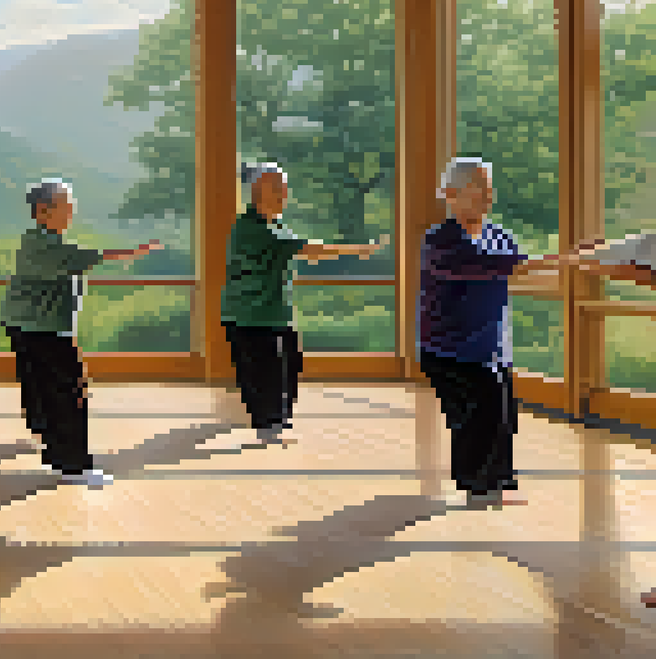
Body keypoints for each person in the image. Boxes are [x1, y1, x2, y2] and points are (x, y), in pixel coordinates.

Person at [418, 157, 565, 509]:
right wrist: (569, 259)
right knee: (477, 416)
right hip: (448, 349)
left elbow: (520, 267)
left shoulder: (499, 235)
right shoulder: (441, 240)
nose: (489, 195)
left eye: (489, 187)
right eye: (479, 188)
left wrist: (580, 261)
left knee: (501, 412)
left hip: (492, 346)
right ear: (452, 195)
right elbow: (495, 266)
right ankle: (480, 486)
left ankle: (497, 482)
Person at [0, 178, 160, 489]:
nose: (72, 210)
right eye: (67, 204)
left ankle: (56, 453)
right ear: (44, 211)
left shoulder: (41, 240)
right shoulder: (43, 244)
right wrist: (132, 252)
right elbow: (86, 257)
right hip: (42, 329)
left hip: (30, 326)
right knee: (69, 392)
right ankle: (73, 465)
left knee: (46, 390)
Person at [223, 162, 387, 446]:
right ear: (256, 192)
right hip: (248, 315)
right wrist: (358, 249)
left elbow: (302, 251)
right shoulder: (254, 229)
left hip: (271, 313)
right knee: (263, 372)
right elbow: (310, 249)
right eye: (276, 189)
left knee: (288, 364)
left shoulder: (274, 226)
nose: (282, 195)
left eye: (284, 189)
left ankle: (275, 421)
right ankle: (268, 426)